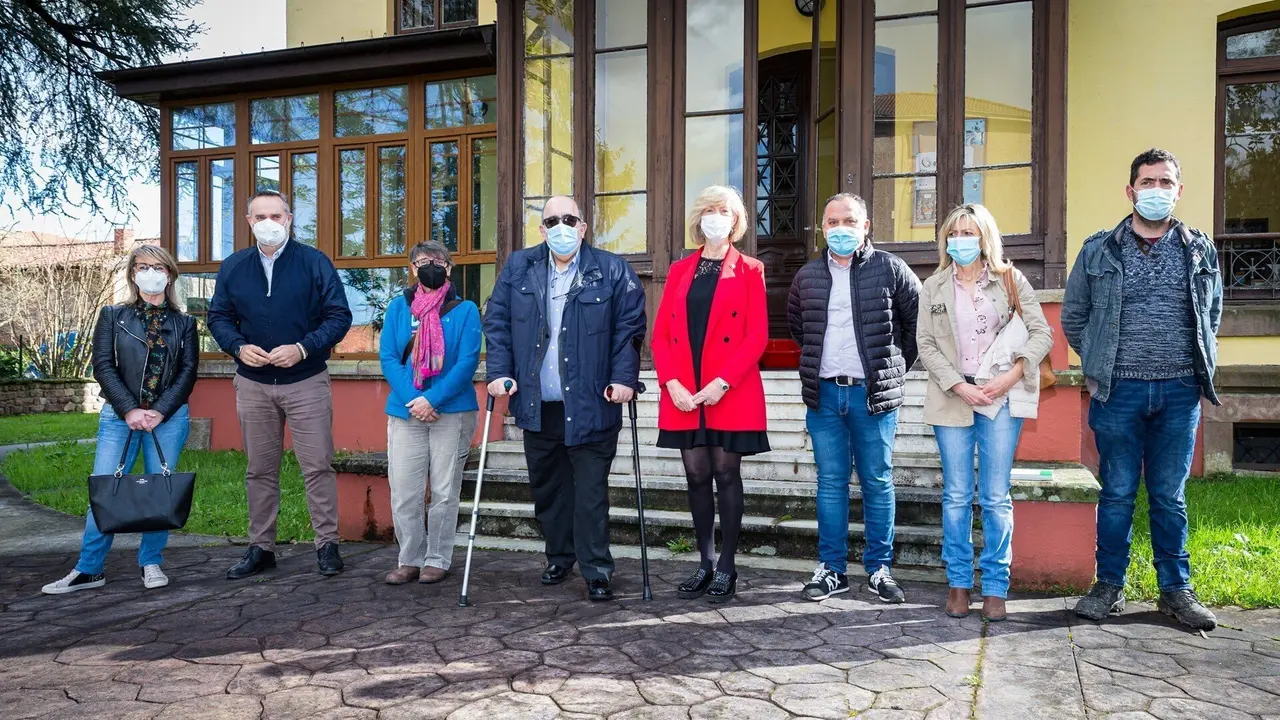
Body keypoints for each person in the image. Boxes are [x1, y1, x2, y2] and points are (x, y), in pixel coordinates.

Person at [1062, 148, 1222, 631]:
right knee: (1116, 494)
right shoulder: (1098, 249)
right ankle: (1108, 585)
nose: (1157, 190)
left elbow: (1211, 315)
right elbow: (1074, 317)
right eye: (1147, 182)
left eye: (1165, 182)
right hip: (1118, 393)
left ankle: (1176, 591)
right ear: (1130, 190)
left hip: (1178, 392)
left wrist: (1194, 371)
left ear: (1179, 189)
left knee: (1169, 496)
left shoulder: (1200, 249)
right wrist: (1098, 364)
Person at [483, 195, 646, 602]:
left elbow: (629, 329)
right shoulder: (519, 267)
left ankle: (596, 570)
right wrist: (499, 372)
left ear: (583, 226)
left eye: (569, 219)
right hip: (539, 405)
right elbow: (497, 323)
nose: (561, 226)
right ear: (541, 229)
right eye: (552, 220)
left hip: (592, 403)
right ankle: (559, 555)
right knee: (549, 490)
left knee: (590, 493)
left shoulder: (610, 270)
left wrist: (623, 378)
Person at [916, 204, 1054, 622]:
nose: (961, 240)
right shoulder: (934, 286)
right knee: (956, 496)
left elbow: (1041, 332)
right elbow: (925, 344)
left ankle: (995, 586)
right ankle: (958, 582)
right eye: (954, 233)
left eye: (969, 232)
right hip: (952, 395)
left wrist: (1011, 378)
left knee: (994, 497)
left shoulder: (1011, 280)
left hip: (1001, 396)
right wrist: (958, 384)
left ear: (985, 237)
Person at [208, 190, 353, 580]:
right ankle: (261, 548)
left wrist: (304, 348)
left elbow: (339, 316)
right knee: (259, 469)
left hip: (305, 380)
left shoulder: (314, 262)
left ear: (289, 219)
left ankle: (327, 545)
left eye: (276, 215)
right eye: (260, 216)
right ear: (248, 221)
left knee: (317, 466)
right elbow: (218, 316)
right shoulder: (234, 267)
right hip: (253, 383)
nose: (268, 222)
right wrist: (238, 347)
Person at [787, 193, 920, 604]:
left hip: (872, 397)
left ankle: (880, 569)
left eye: (849, 221)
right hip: (824, 395)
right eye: (831, 222)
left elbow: (914, 330)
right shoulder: (806, 276)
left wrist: (889, 372)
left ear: (865, 226)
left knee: (877, 482)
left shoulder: (893, 270)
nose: (839, 228)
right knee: (830, 483)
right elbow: (799, 329)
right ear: (822, 228)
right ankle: (832, 570)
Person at [42, 245, 198, 594]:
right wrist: (129, 408)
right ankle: (89, 569)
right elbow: (103, 365)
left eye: (158, 267)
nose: (150, 273)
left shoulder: (185, 323)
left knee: (160, 491)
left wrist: (159, 411)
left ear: (169, 274)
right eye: (142, 266)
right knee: (105, 490)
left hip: (168, 419)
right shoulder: (113, 316)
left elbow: (188, 372)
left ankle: (151, 562)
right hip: (118, 417)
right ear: (132, 273)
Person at [651, 185, 770, 603]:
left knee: (725, 474)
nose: (716, 216)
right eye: (708, 210)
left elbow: (757, 335)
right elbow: (661, 335)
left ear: (736, 220)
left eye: (724, 210)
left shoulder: (751, 269)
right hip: (685, 392)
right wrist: (672, 383)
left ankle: (728, 567)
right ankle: (704, 562)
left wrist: (722, 382)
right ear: (698, 219)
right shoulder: (681, 269)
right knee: (696, 475)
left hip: (729, 390)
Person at [378, 241, 481, 585]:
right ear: (412, 269)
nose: (430, 267)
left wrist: (433, 400)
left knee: (444, 490)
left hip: (451, 412)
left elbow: (467, 363)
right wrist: (415, 400)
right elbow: (390, 359)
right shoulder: (398, 308)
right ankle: (410, 558)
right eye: (423, 262)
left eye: (437, 262)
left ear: (449, 268)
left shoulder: (465, 310)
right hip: (406, 412)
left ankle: (437, 558)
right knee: (404, 489)